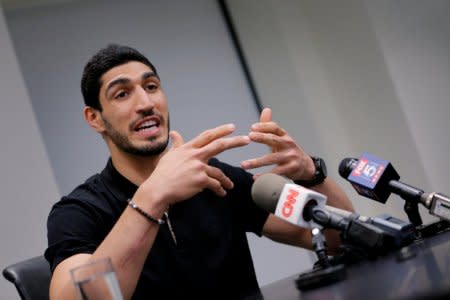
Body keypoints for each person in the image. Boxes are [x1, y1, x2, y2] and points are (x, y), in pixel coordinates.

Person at [45, 44, 354, 300]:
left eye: (151, 87)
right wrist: (154, 194)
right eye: (122, 94)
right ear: (94, 118)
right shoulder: (78, 212)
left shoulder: (214, 178)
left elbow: (340, 238)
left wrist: (311, 174)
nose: (146, 102)